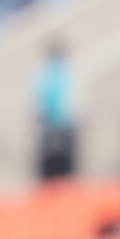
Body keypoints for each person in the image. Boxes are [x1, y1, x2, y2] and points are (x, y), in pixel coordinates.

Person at [34, 40, 77, 181]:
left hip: (61, 127)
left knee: (63, 168)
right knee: (53, 169)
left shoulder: (64, 73)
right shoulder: (44, 74)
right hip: (51, 127)